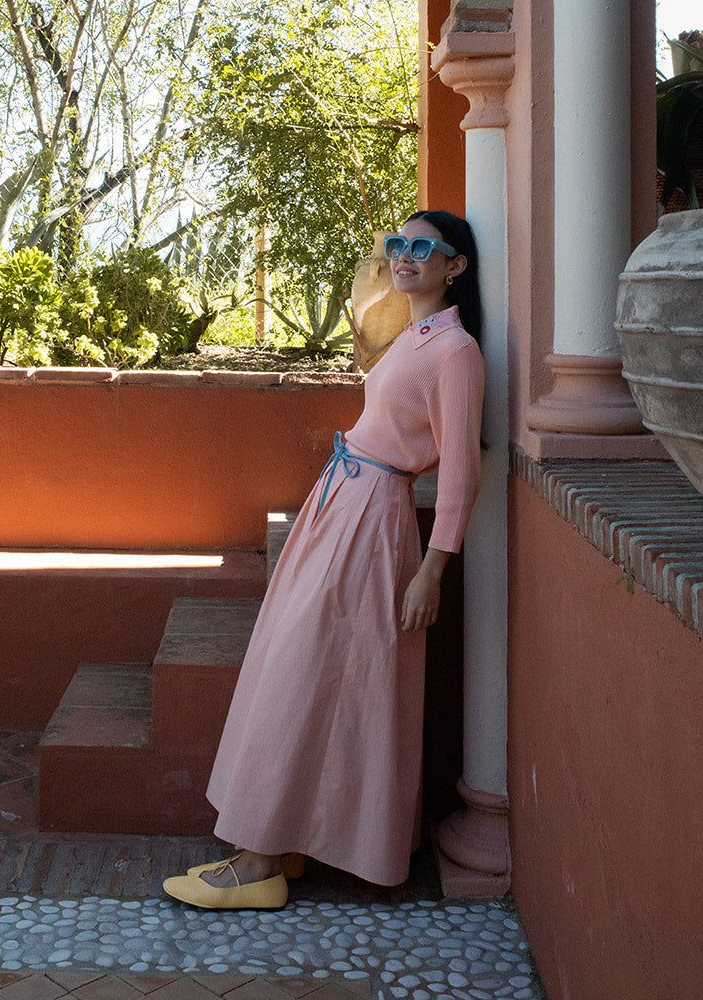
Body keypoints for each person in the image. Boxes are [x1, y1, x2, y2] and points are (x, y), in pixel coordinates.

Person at [162, 210, 485, 910]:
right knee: (301, 666)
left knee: (313, 673)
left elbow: (459, 473)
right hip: (343, 502)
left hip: (370, 521)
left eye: (421, 247)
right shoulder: (415, 334)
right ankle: (282, 840)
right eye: (396, 244)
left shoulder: (453, 352)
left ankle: (257, 864)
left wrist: (434, 566)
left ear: (454, 264)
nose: (403, 256)